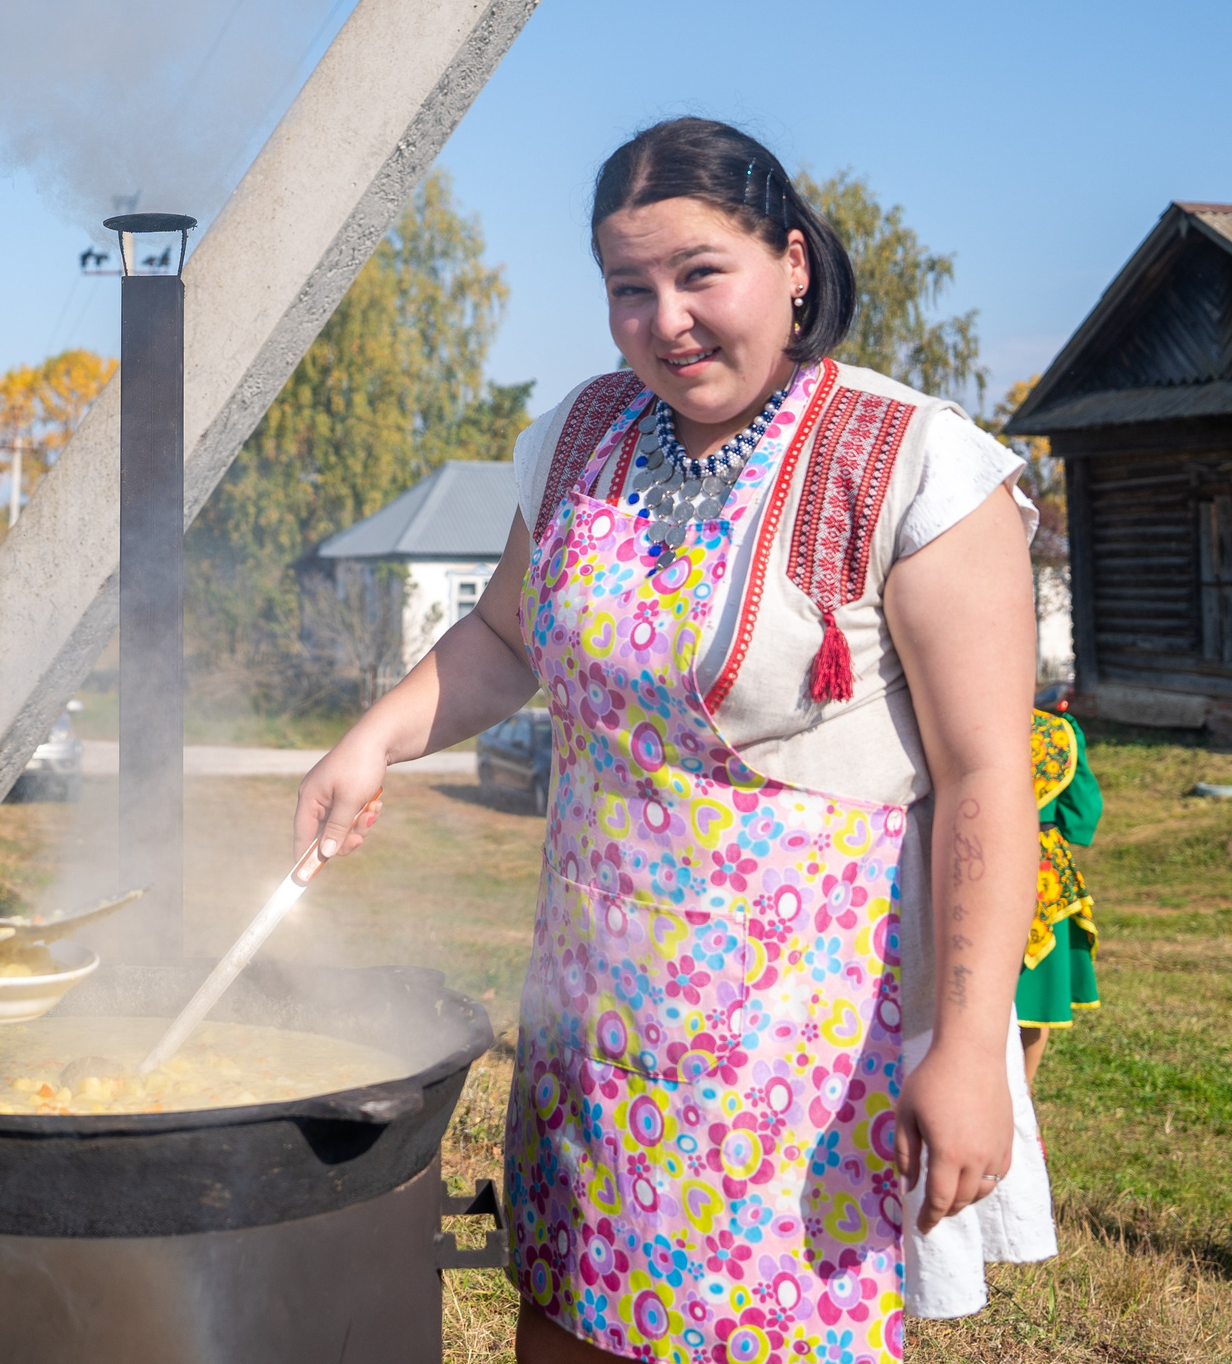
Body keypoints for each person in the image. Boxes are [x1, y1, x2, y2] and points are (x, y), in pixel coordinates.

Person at [294, 119, 1047, 1362]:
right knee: (572, 1319)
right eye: (627, 289)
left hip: (799, 1054)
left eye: (701, 273)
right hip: (595, 1020)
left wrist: (968, 1046)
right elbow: (503, 637)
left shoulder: (914, 464)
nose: (666, 320)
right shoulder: (583, 436)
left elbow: (981, 781)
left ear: (792, 262)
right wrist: (372, 738)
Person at [1018, 702, 1102, 1083]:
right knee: (1035, 993)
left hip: (971, 850)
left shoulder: (954, 714)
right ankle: (1023, 1095)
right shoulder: (1056, 731)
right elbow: (1081, 816)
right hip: (1042, 867)